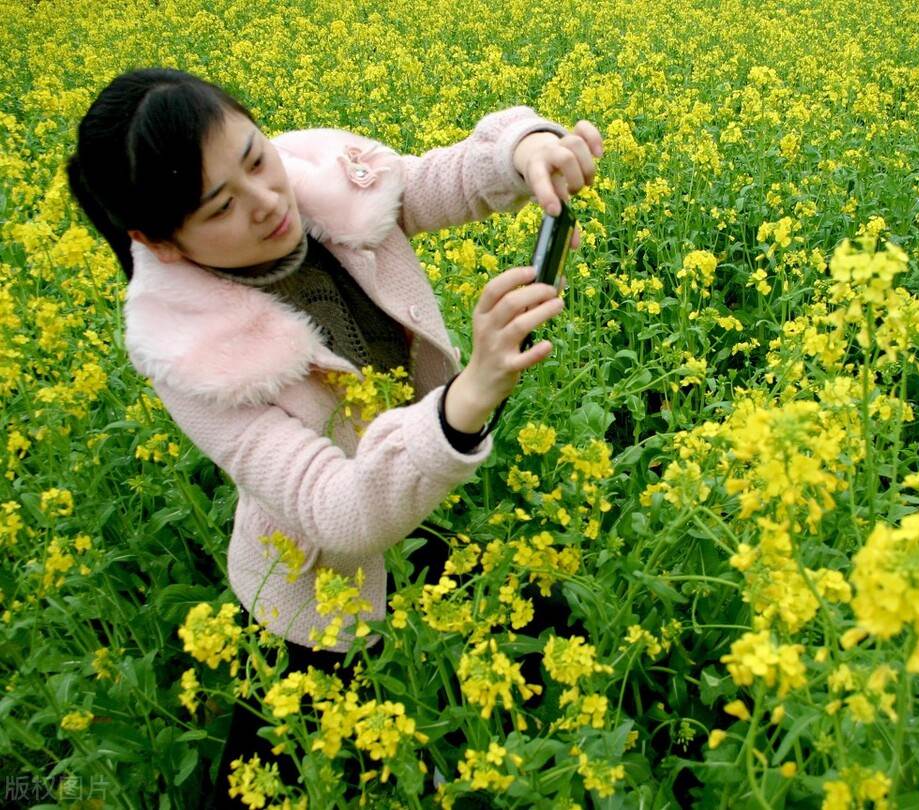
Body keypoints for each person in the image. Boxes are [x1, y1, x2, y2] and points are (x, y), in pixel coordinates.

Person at [65, 67, 602, 804]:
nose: (266, 203)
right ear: (159, 242)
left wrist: (524, 151)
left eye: (256, 157)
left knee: (541, 649)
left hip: (416, 506)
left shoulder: (319, 185)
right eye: (220, 206)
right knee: (294, 766)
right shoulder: (189, 357)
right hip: (319, 582)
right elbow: (334, 510)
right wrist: (466, 397)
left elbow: (426, 184)